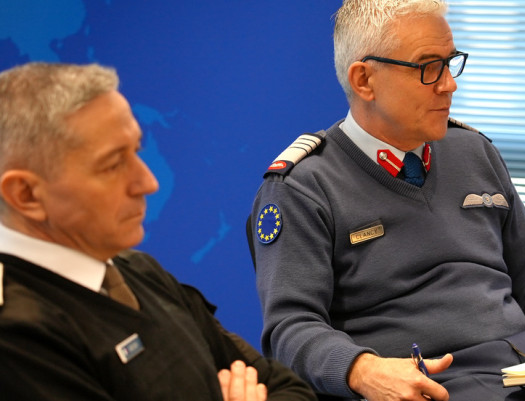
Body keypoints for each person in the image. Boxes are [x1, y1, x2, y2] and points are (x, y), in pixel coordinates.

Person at [249, 1, 525, 400]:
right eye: (427, 67)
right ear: (364, 80)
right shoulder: (302, 187)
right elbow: (291, 329)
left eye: (450, 63)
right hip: (435, 386)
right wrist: (364, 371)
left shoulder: (472, 151)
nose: (448, 86)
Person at [0, 62, 316, 401]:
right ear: (26, 195)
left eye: (136, 150)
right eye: (112, 164)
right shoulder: (17, 334)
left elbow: (289, 388)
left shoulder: (139, 271)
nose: (148, 182)